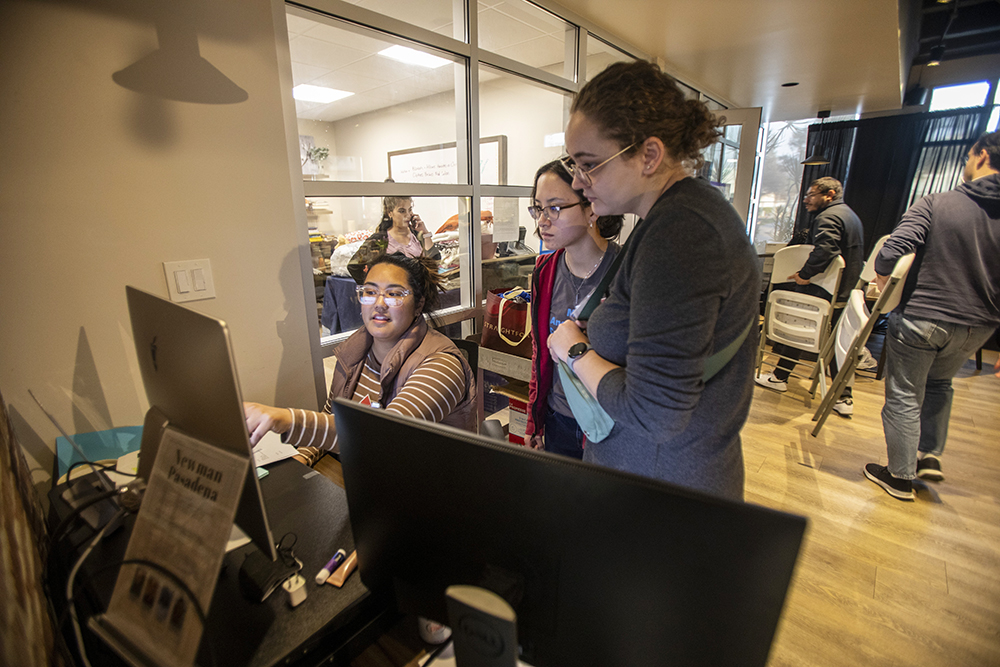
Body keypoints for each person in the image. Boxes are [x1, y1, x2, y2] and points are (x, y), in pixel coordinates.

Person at [546, 60, 761, 501]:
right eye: (574, 164)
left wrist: (576, 351)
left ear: (648, 155)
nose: (579, 181)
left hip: (661, 487)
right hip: (663, 474)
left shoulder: (681, 234)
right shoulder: (673, 217)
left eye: (589, 165)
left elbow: (655, 415)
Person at [864, 131, 1000, 501]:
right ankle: (929, 456)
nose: (965, 164)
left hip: (924, 316)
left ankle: (900, 477)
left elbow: (891, 251)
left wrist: (882, 274)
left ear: (982, 155)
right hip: (979, 327)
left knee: (905, 394)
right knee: (940, 384)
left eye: (968, 156)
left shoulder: (936, 203)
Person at [245, 253, 476, 465]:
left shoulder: (442, 365)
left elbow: (384, 437)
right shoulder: (355, 351)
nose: (379, 304)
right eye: (370, 292)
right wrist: (300, 461)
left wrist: (287, 420)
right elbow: (331, 418)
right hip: (364, 478)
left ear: (419, 304)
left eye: (394, 294)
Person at [525, 160, 624, 459]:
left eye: (555, 207)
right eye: (538, 208)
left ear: (591, 207)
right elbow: (539, 353)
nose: (542, 221)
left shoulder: (626, 275)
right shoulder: (544, 271)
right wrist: (535, 420)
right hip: (558, 417)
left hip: (608, 424)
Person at [755, 177, 864, 416]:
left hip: (830, 290)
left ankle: (843, 396)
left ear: (830, 194)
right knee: (826, 337)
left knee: (835, 342)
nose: (806, 200)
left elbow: (826, 249)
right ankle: (780, 376)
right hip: (843, 289)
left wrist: (805, 275)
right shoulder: (848, 215)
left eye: (812, 194)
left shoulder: (829, 217)